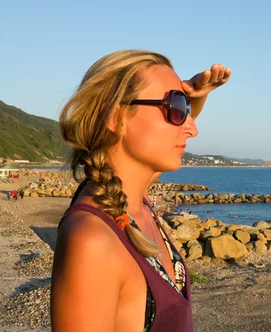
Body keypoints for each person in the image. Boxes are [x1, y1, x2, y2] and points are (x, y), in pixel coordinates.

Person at [51, 50, 231, 331]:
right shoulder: (93, 240)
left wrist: (193, 100)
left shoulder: (129, 200)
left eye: (184, 108)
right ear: (115, 117)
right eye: (174, 107)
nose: (193, 130)